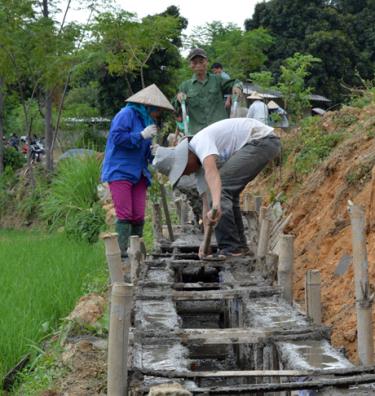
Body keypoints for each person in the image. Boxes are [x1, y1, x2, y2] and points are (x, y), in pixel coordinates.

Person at [153, 117, 281, 258]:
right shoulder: (199, 164)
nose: (187, 174)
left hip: (261, 141)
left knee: (223, 187)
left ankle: (231, 248)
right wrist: (205, 242)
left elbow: (214, 177)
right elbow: (205, 202)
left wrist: (217, 204)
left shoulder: (200, 143)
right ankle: (239, 247)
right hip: (258, 143)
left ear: (186, 158)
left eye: (183, 171)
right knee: (226, 193)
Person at [101, 84, 174, 258]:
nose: (158, 115)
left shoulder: (147, 122)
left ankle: (137, 253)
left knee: (138, 214)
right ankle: (123, 255)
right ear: (150, 107)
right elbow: (117, 138)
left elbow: (145, 151)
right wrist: (140, 136)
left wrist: (155, 152)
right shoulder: (126, 115)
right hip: (121, 169)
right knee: (125, 213)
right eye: (158, 111)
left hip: (139, 172)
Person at [175, 48, 242, 136]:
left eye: (201, 61)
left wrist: (237, 87)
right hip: (198, 134)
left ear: (207, 62)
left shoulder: (218, 80)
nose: (198, 65)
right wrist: (179, 98)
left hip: (220, 131)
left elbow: (235, 82)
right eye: (195, 62)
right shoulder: (185, 86)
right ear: (190, 65)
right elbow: (176, 106)